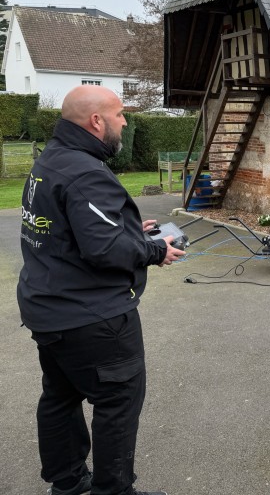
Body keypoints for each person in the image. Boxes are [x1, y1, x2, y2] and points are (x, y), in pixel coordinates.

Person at [17, 85, 185, 495]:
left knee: (60, 397)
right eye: (120, 114)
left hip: (49, 309)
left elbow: (68, 229)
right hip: (93, 318)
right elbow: (104, 248)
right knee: (118, 403)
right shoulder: (86, 172)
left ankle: (68, 484)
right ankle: (114, 490)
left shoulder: (51, 161)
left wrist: (130, 228)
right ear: (96, 121)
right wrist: (153, 250)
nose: (124, 121)